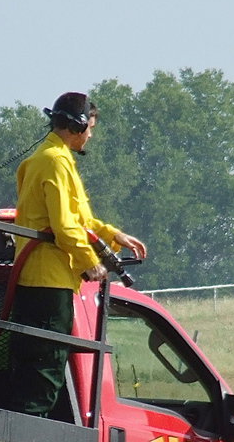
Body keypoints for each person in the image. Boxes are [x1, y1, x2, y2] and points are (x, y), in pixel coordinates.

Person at [8, 92, 147, 416]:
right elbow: (65, 226)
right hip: (49, 283)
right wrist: (91, 264)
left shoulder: (49, 157)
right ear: (78, 125)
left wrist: (113, 234)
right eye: (91, 127)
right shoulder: (55, 162)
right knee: (44, 374)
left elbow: (80, 221)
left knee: (37, 370)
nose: (91, 135)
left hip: (43, 279)